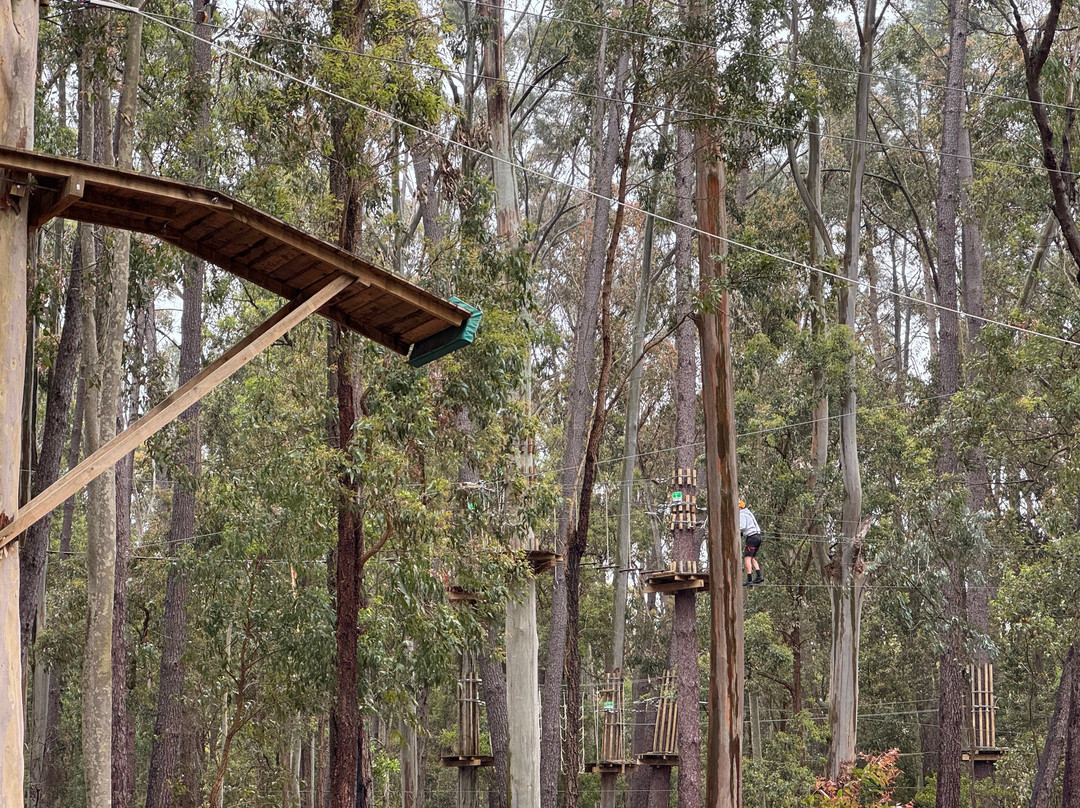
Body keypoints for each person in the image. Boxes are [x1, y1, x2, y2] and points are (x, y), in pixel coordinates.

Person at [739, 499, 763, 587]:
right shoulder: (749, 513)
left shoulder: (741, 514)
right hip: (758, 536)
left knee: (747, 558)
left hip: (751, 537)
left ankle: (749, 579)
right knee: (752, 557)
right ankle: (759, 576)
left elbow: (742, 526)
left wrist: (738, 531)